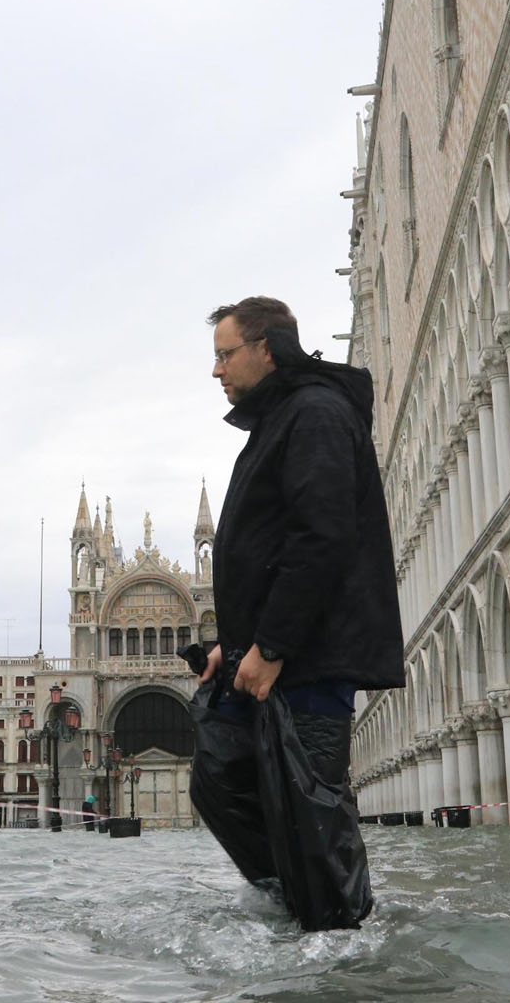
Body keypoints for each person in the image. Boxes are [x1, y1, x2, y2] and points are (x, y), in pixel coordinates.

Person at [190, 296, 405, 929]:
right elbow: (271, 543)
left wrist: (273, 646)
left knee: (311, 803)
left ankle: (337, 931)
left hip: (306, 658)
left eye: (225, 355)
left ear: (265, 349)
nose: (217, 371)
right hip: (272, 653)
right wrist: (234, 646)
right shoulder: (285, 417)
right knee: (223, 777)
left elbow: (321, 537)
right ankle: (295, 898)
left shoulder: (313, 413)